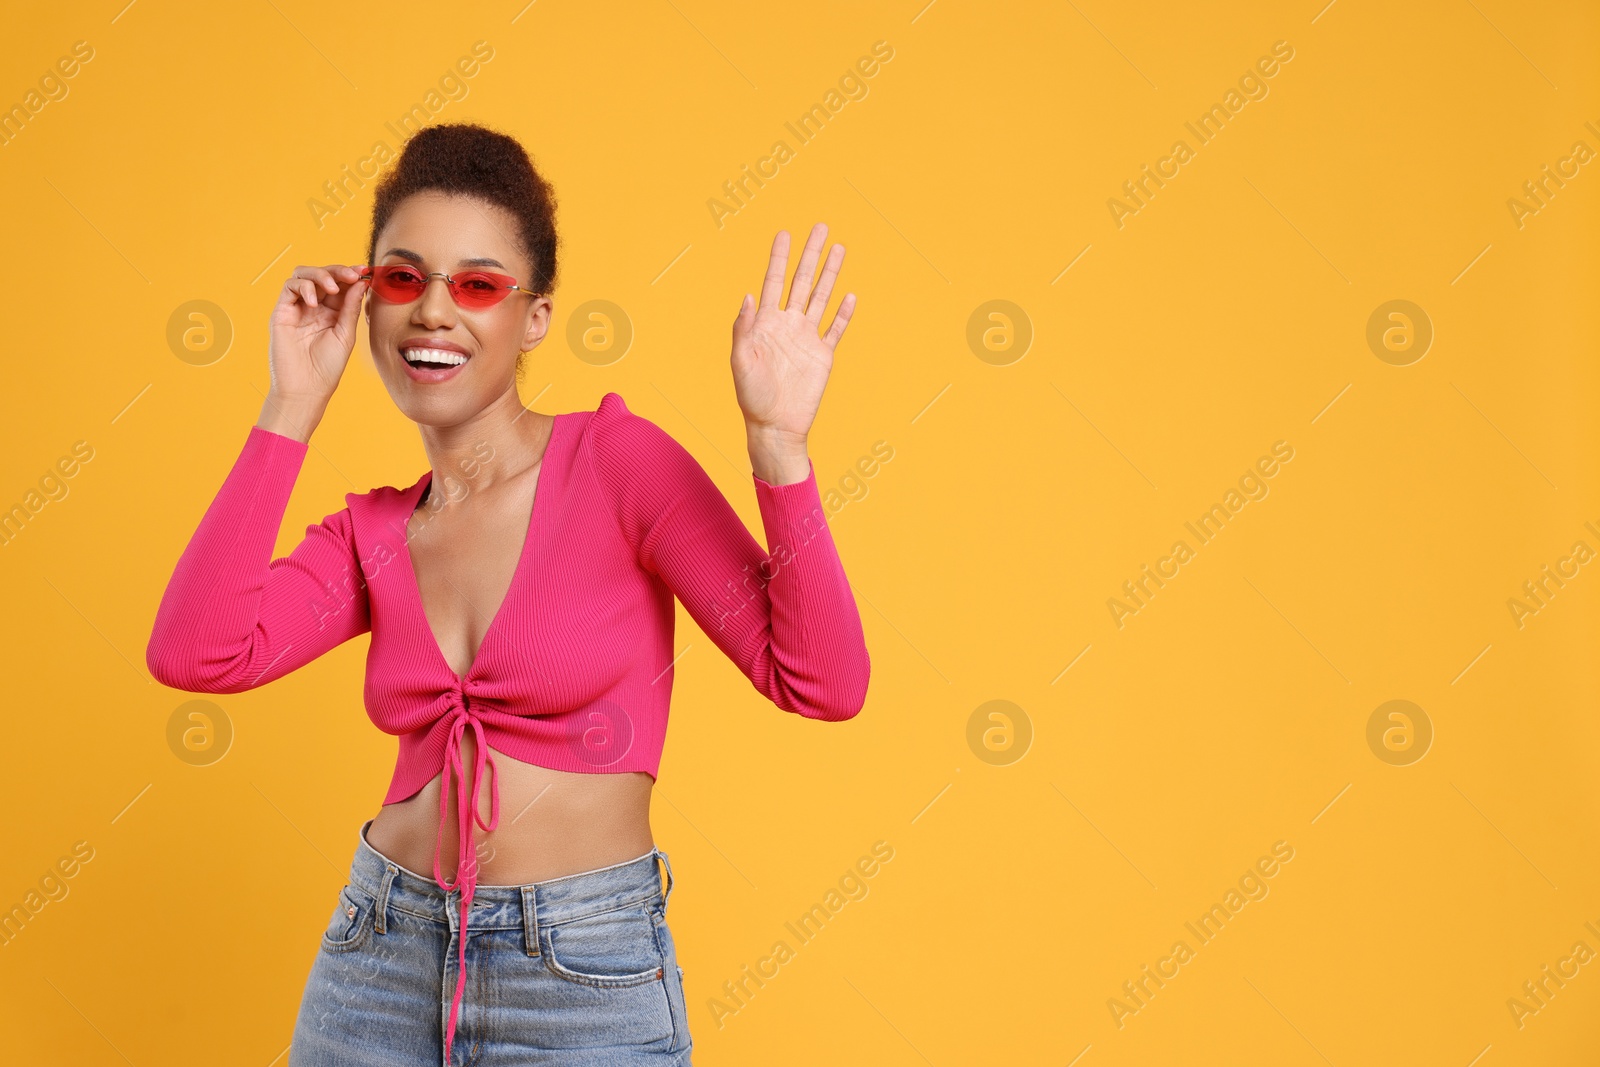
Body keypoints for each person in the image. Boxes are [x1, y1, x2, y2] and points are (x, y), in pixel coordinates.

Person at [144, 122, 871, 1065]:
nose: (434, 311)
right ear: (368, 303)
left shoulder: (618, 467)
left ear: (533, 317)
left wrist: (780, 449)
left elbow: (820, 680)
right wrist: (292, 404)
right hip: (379, 957)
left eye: (477, 285)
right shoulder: (372, 534)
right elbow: (196, 651)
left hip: (580, 971)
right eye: (404, 279)